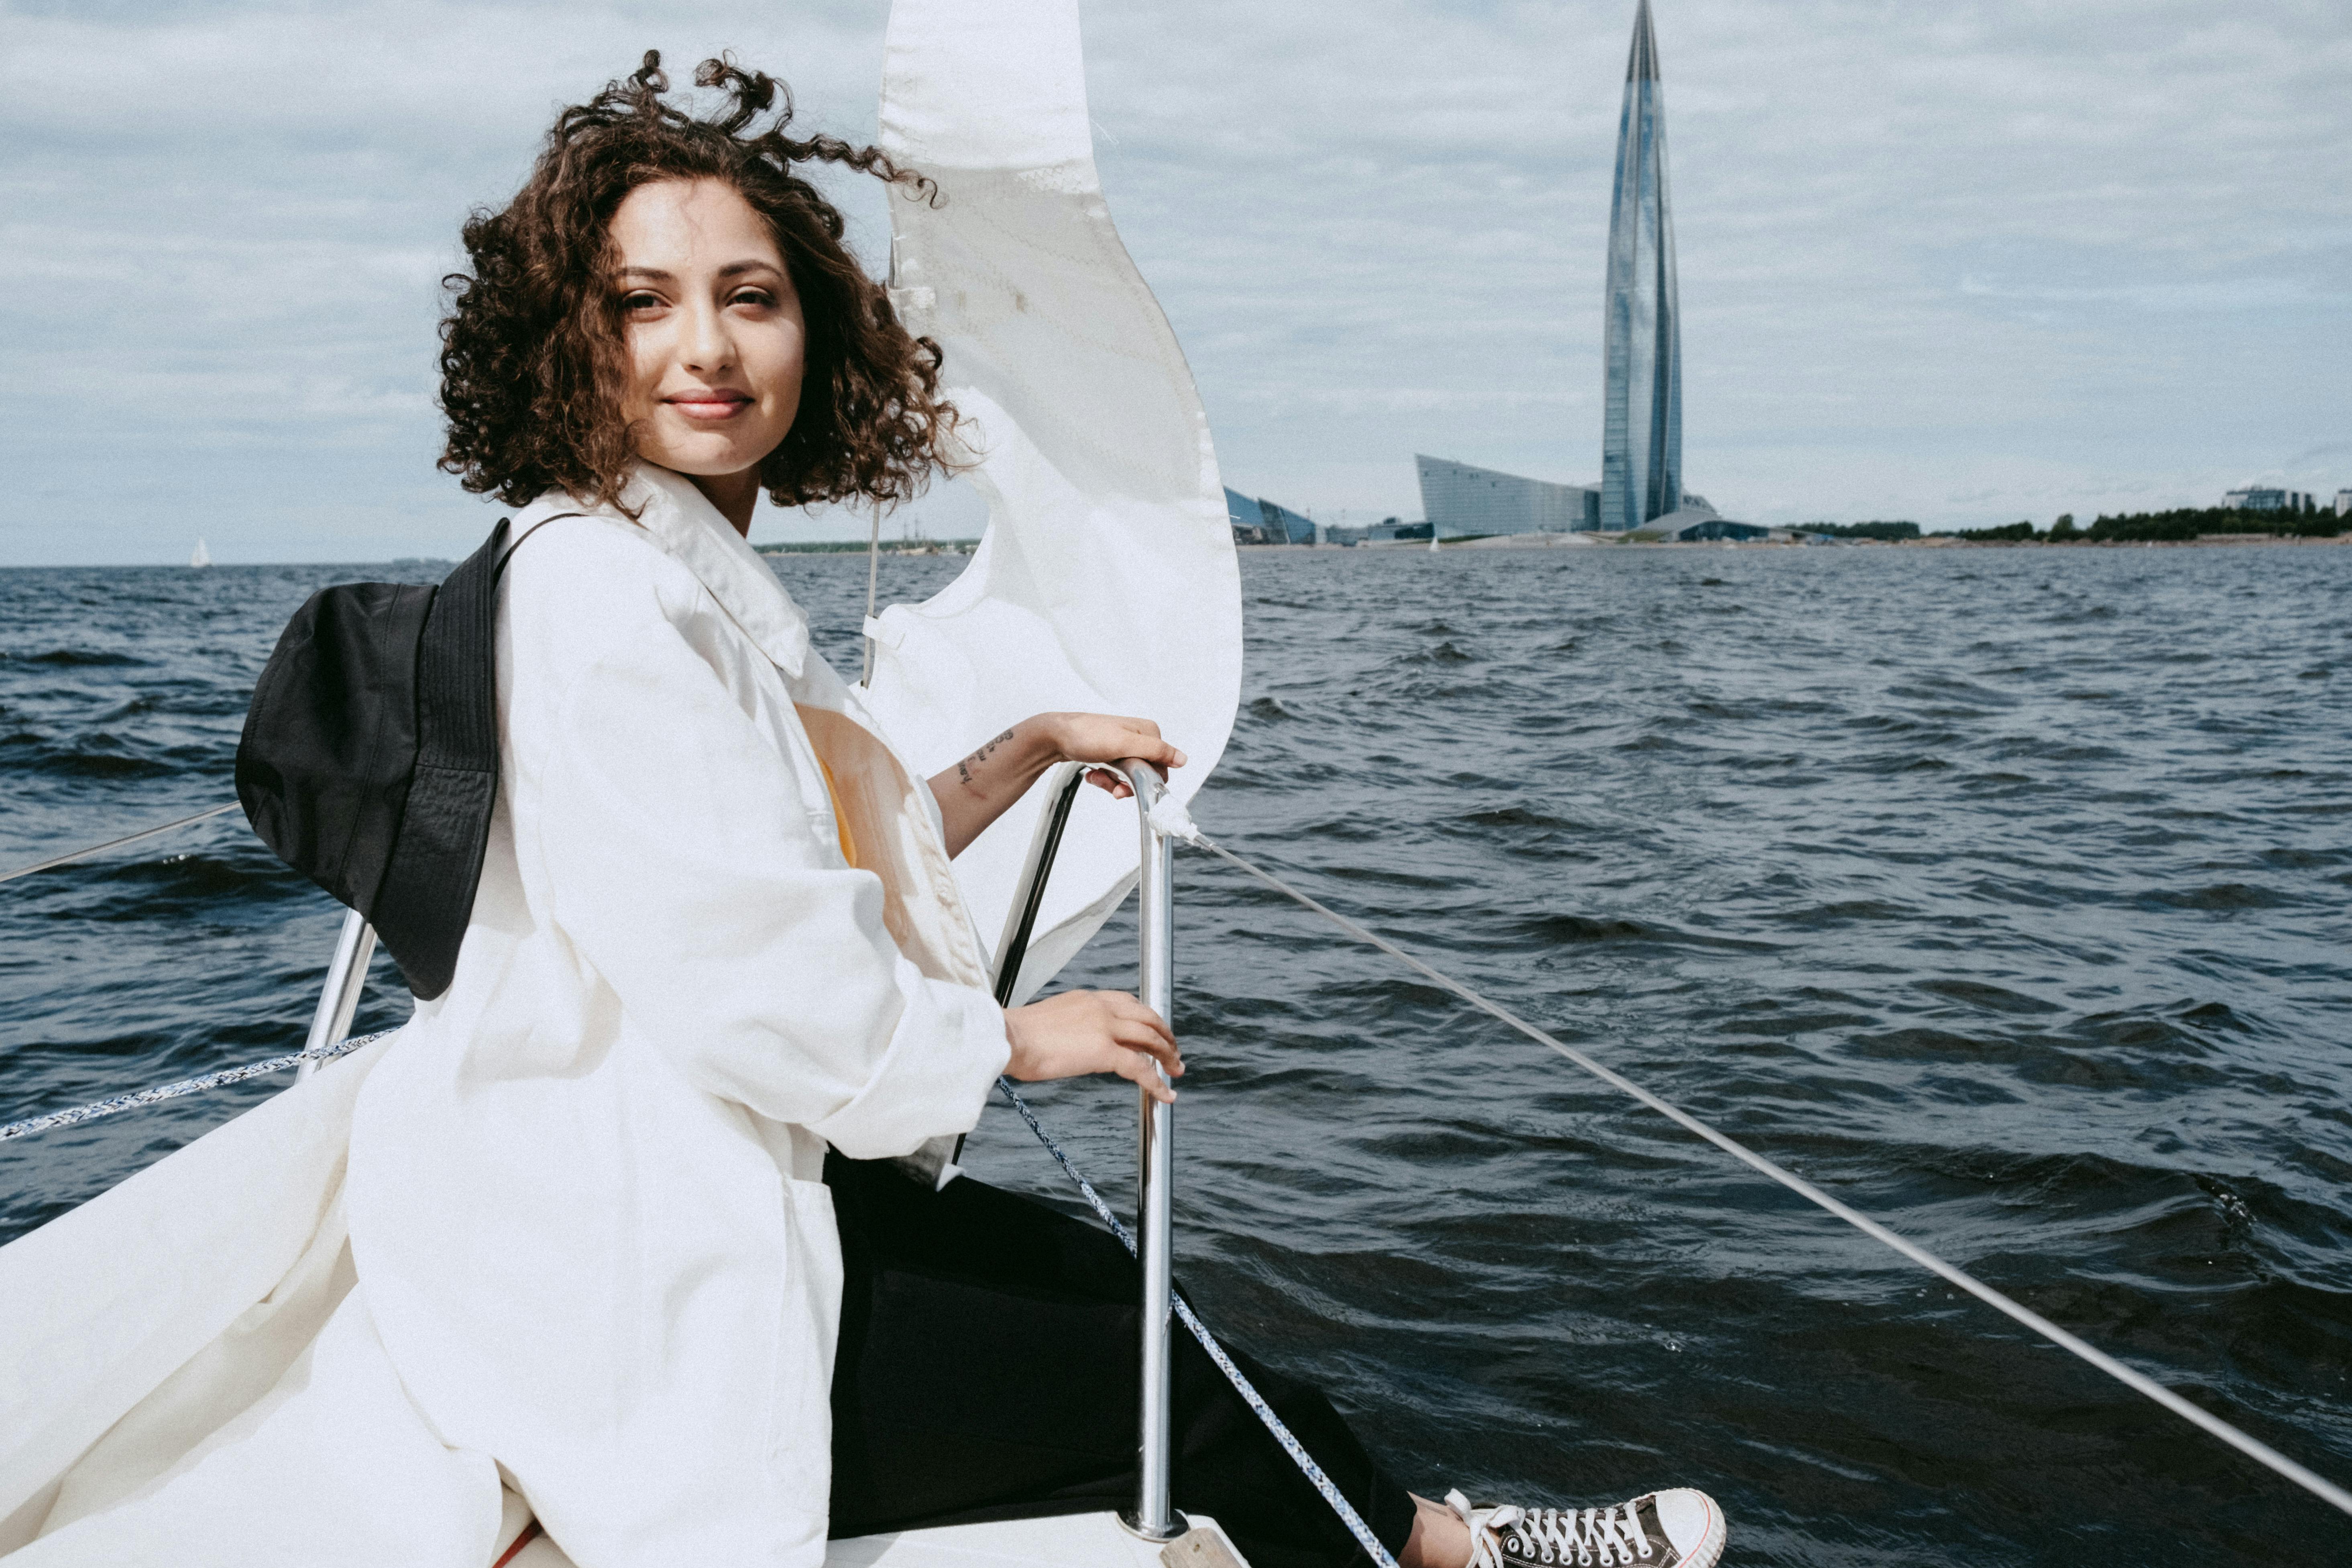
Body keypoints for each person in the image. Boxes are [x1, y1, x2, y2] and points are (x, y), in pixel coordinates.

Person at [0, 54, 1723, 1568]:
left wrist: (1021, 748)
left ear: (814, 327)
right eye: (644, 302)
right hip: (627, 1243)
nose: (705, 346)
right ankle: (1459, 1556)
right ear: (566, 338)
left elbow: (808, 827)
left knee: (1107, 1296)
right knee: (1170, 1391)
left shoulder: (661, 566)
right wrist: (1009, 1046)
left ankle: (1432, 1533)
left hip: (699, 1159)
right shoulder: (604, 600)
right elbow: (744, 958)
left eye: (749, 296)